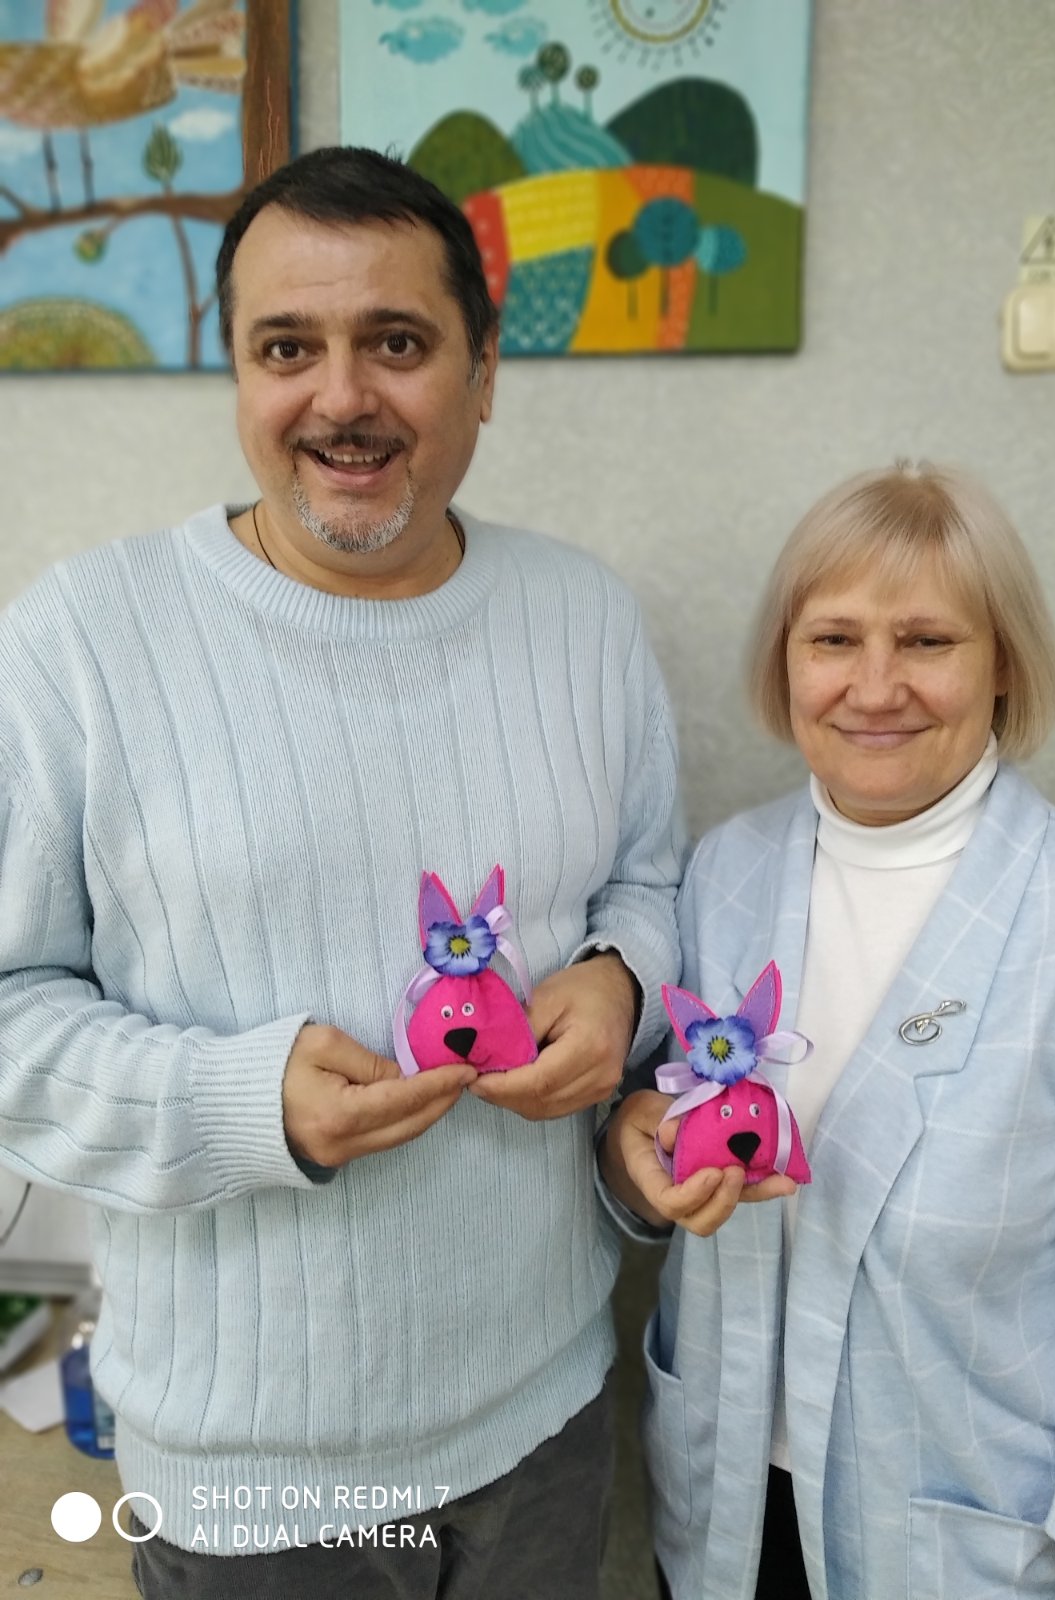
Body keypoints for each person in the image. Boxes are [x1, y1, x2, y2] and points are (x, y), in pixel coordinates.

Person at [0, 146, 684, 1599]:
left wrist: (621, 979)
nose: (341, 398)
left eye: (398, 343)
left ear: (484, 374)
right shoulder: (77, 644)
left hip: (547, 1412)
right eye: (286, 348)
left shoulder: (587, 619)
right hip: (248, 1474)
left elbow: (649, 882)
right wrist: (243, 1104)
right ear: (236, 375)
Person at [600, 463, 1055, 1600]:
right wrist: (634, 1150)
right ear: (787, 659)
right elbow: (648, 1140)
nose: (875, 687)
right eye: (834, 639)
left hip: (972, 1554)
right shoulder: (723, 875)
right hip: (723, 1526)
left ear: (1003, 662)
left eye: (926, 641)